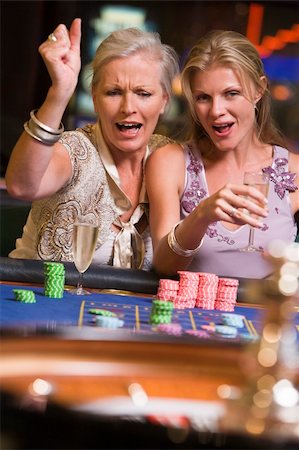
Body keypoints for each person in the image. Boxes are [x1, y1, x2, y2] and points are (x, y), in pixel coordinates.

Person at [5, 18, 179, 269]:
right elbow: (22, 187)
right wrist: (60, 91)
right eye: (113, 92)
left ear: (164, 101)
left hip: (123, 309)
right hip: (40, 302)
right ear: (95, 100)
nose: (128, 108)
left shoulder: (168, 157)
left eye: (143, 93)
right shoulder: (75, 150)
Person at [145, 30, 299, 279]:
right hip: (188, 317)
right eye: (203, 98)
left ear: (259, 90)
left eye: (231, 94)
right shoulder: (169, 161)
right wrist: (202, 215)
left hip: (263, 316)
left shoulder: (294, 170)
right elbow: (164, 266)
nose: (216, 111)